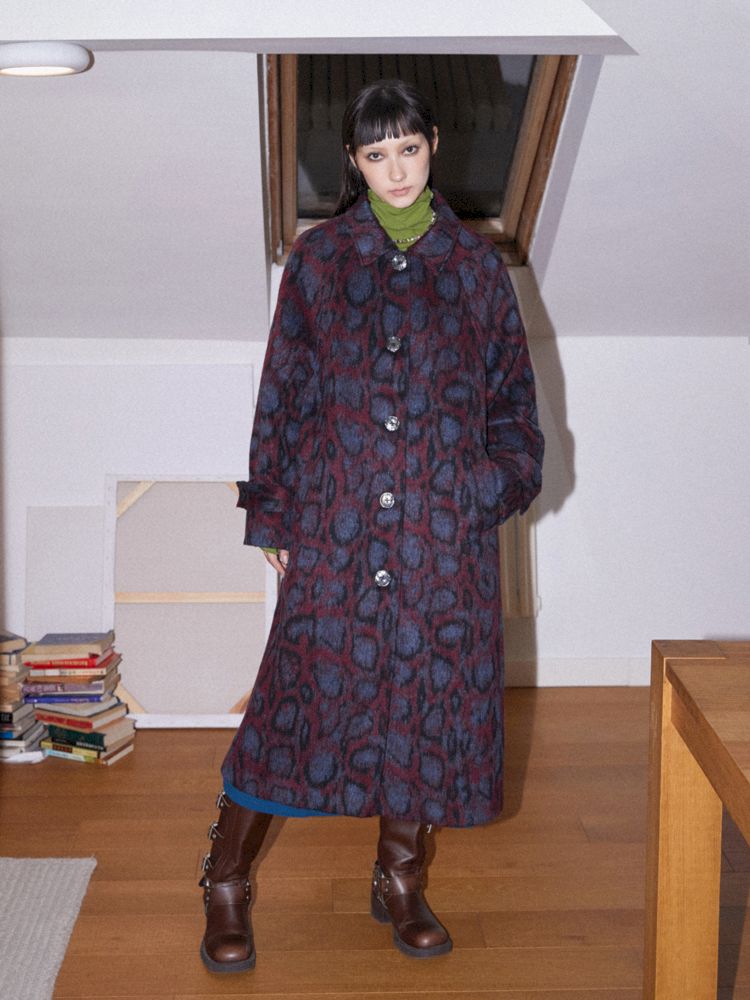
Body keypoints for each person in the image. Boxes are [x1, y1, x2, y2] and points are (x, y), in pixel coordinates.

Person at [198, 78, 544, 973]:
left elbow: (516, 410)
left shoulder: (476, 270)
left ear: (434, 146)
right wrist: (275, 513)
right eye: (377, 153)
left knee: (425, 707)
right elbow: (283, 395)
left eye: (410, 149)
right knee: (292, 704)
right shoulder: (319, 263)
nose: (397, 170)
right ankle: (226, 880)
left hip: (444, 538)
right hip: (337, 526)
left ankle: (399, 877)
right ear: (353, 161)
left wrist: (486, 489)